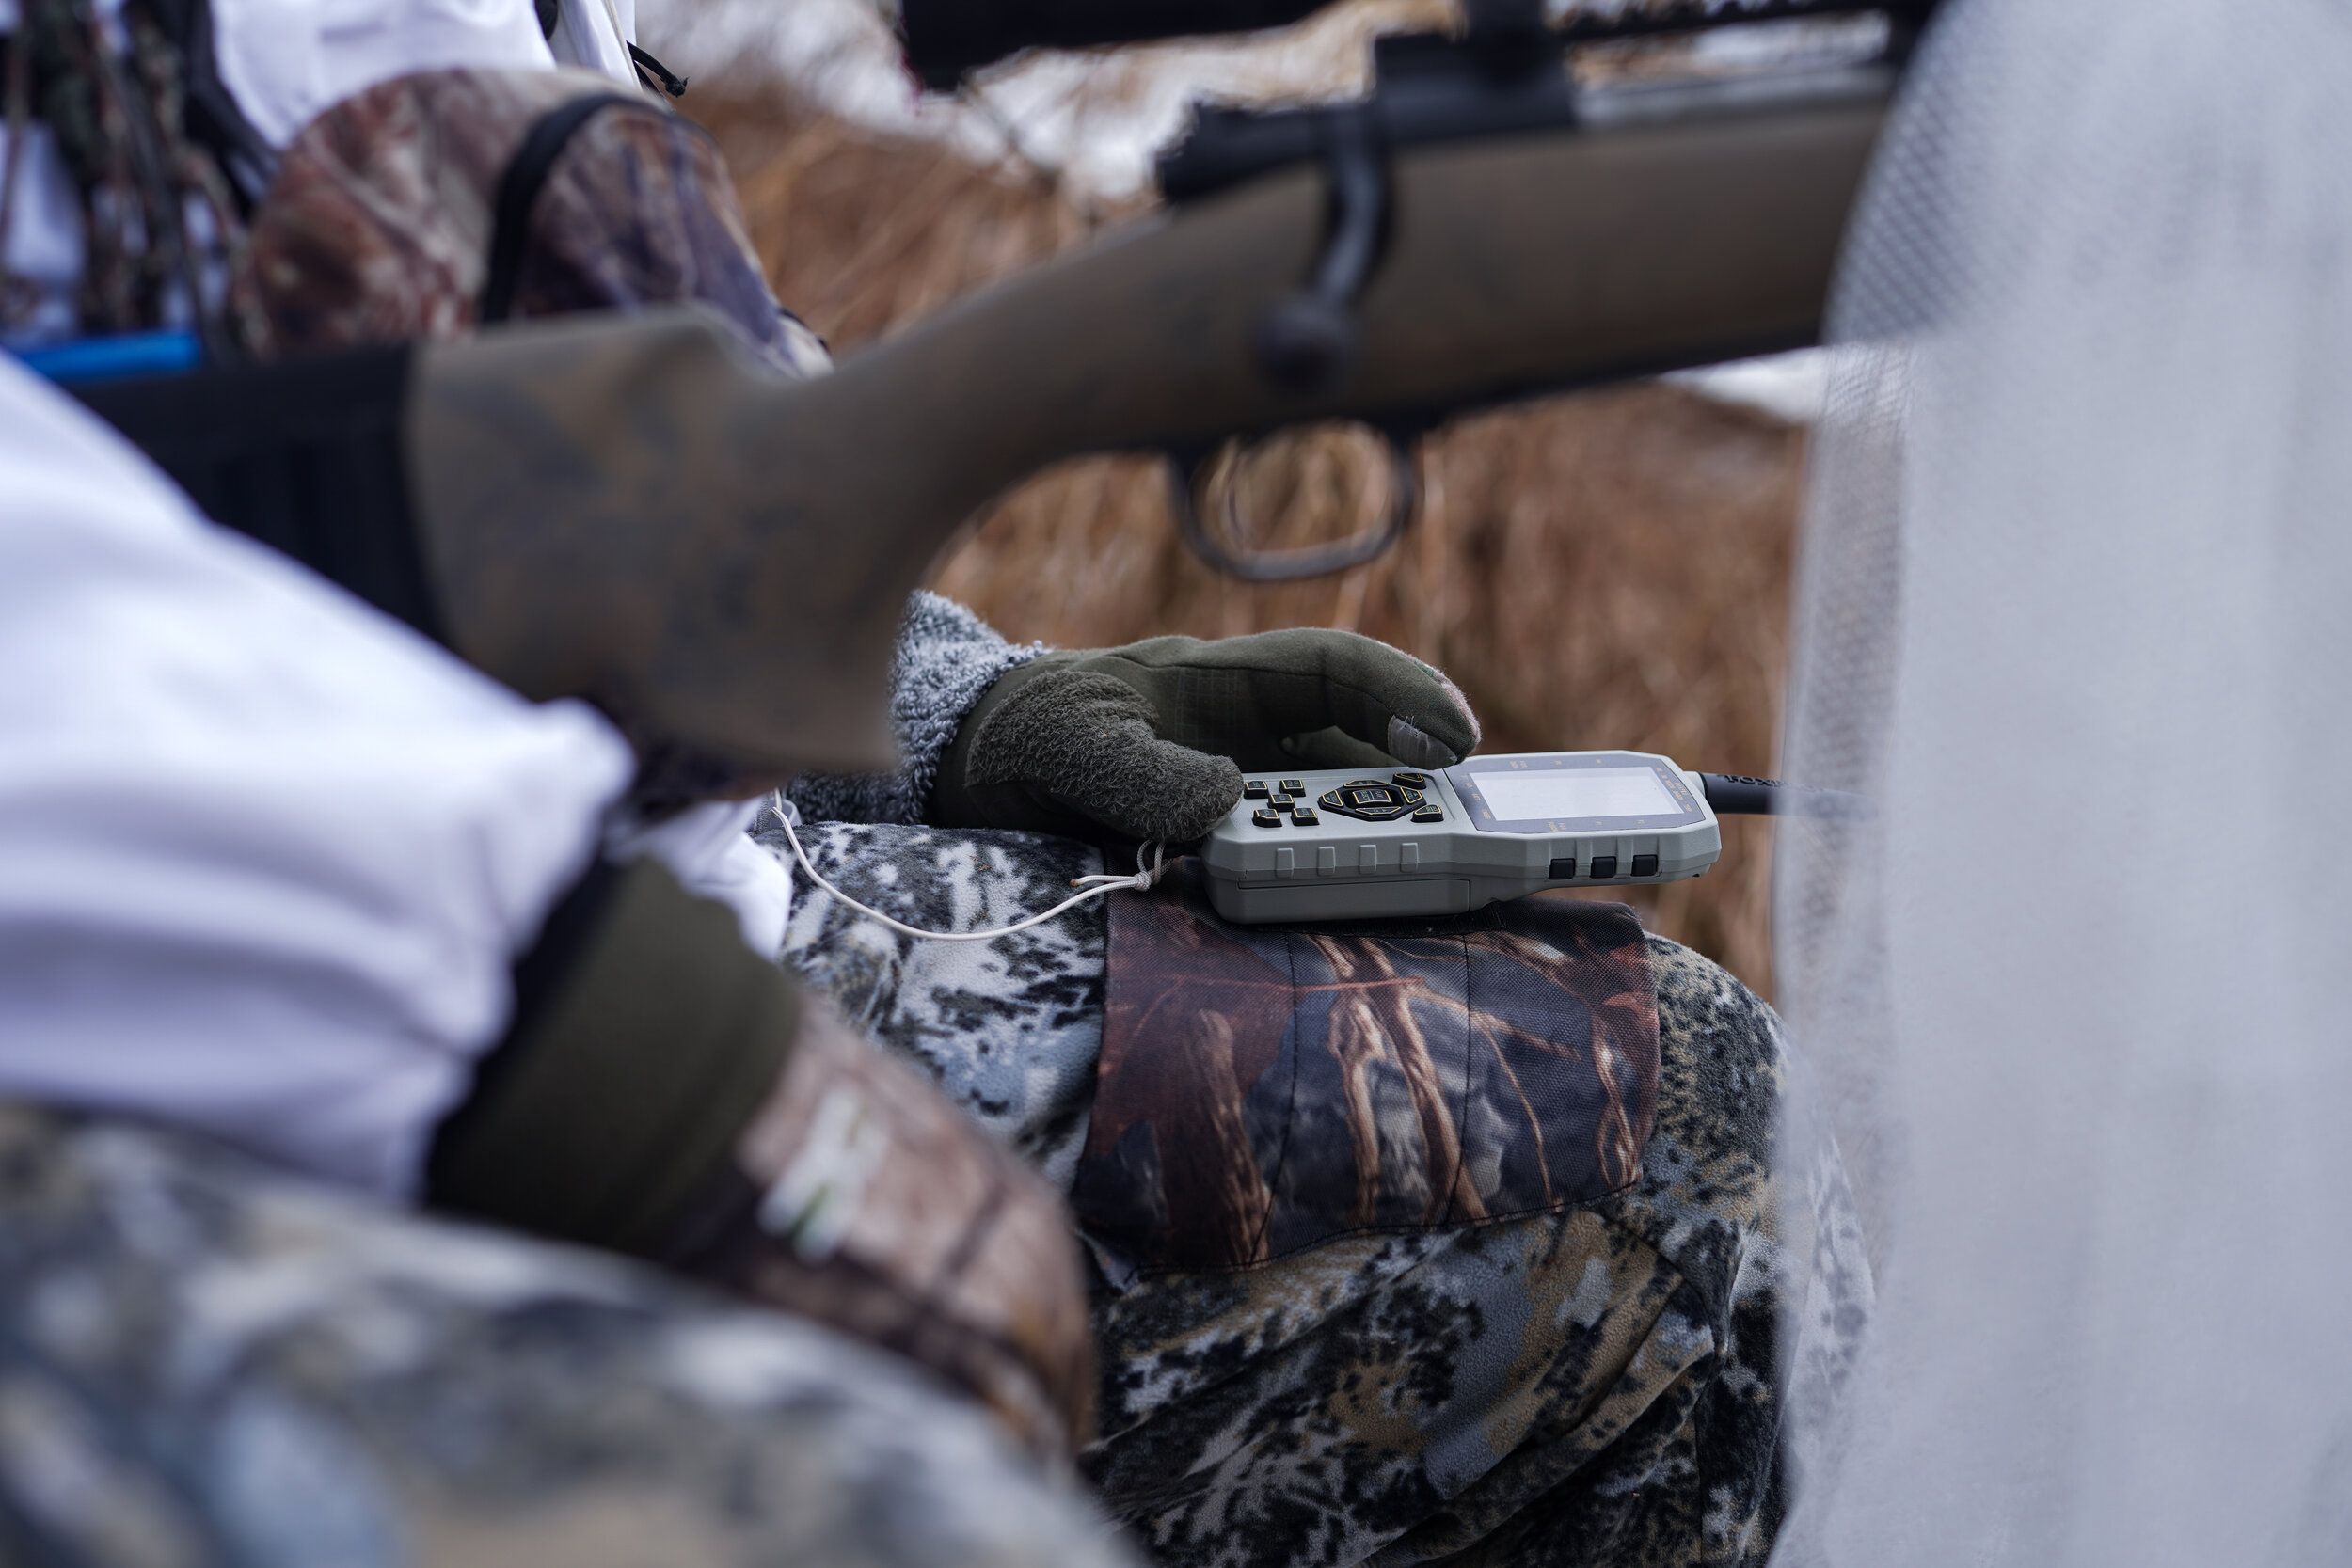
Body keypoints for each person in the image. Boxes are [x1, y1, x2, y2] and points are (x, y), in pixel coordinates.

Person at [1, 1, 1869, 1562]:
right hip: (222, 993)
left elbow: (626, 491)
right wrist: (579, 1030)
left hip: (616, 902)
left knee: (1685, 1105)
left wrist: (977, 712)